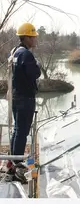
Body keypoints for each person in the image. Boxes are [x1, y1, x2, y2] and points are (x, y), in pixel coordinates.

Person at [6, 22, 41, 183]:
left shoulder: (15, 51)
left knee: (17, 131)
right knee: (22, 132)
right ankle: (18, 165)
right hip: (25, 98)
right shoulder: (26, 55)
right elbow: (35, 73)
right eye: (33, 37)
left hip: (15, 96)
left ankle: (13, 161)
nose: (35, 39)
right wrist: (37, 65)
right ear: (26, 37)